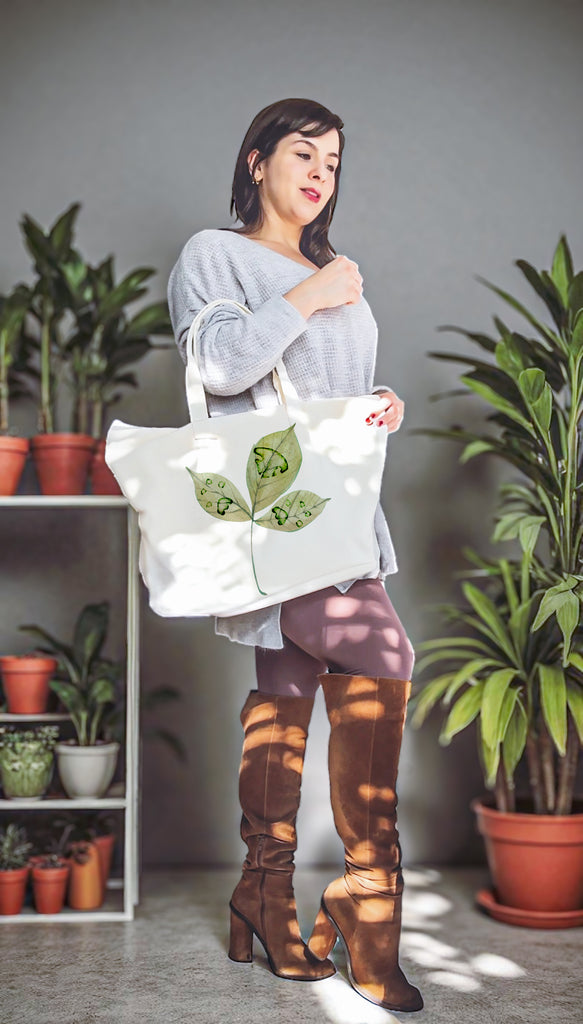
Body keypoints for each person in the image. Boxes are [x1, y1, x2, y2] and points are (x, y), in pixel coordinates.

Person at [167, 98, 423, 1013]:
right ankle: (364, 899)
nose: (321, 171)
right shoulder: (215, 253)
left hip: (339, 513)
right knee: (382, 657)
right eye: (302, 152)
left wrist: (378, 400)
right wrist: (308, 296)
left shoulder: (328, 267)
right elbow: (223, 367)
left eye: (334, 160)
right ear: (254, 160)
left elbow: (327, 387)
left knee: (284, 687)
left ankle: (263, 894)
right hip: (274, 515)